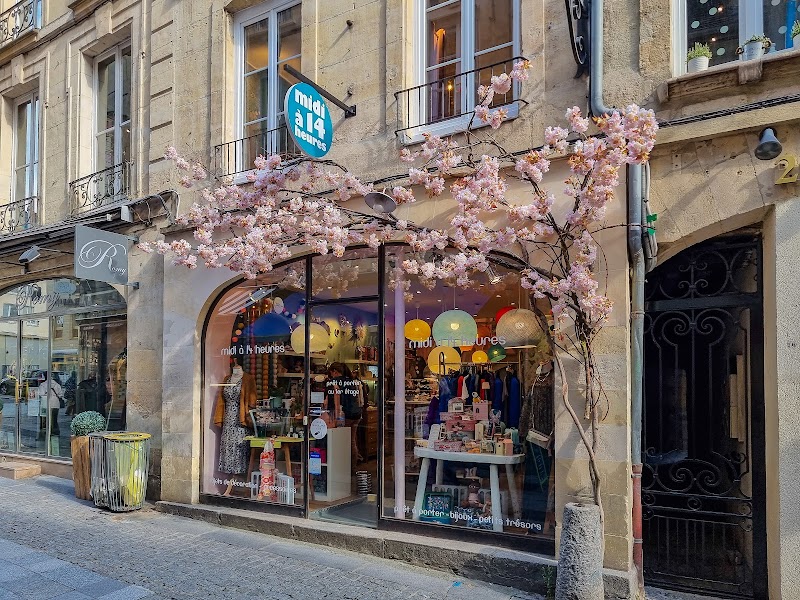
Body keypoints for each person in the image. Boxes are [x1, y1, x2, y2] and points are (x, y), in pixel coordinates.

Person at [325, 362, 363, 464]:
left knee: (342, 441)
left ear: (334, 372)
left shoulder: (334, 383)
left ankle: (343, 467)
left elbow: (333, 401)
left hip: (345, 415)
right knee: (351, 440)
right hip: (356, 414)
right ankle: (352, 467)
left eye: (331, 373)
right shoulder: (351, 381)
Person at [37, 372, 63, 437]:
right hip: (55, 404)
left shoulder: (43, 385)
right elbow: (60, 395)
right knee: (54, 419)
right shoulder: (56, 384)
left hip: (45, 404)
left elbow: (40, 394)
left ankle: (45, 433)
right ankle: (55, 432)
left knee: (45, 420)